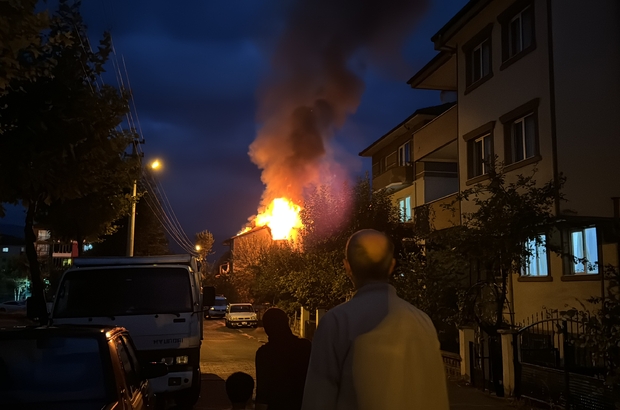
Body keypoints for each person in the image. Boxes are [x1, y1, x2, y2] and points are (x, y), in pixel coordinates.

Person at [301, 229, 449, 410]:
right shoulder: (423, 322)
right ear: (391, 266)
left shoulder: (336, 323)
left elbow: (317, 401)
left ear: (347, 267)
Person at [255, 307, 312, 410]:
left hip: (277, 405)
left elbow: (262, 392)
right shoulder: (305, 346)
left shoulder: (265, 353)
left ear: (267, 328)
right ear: (286, 322)